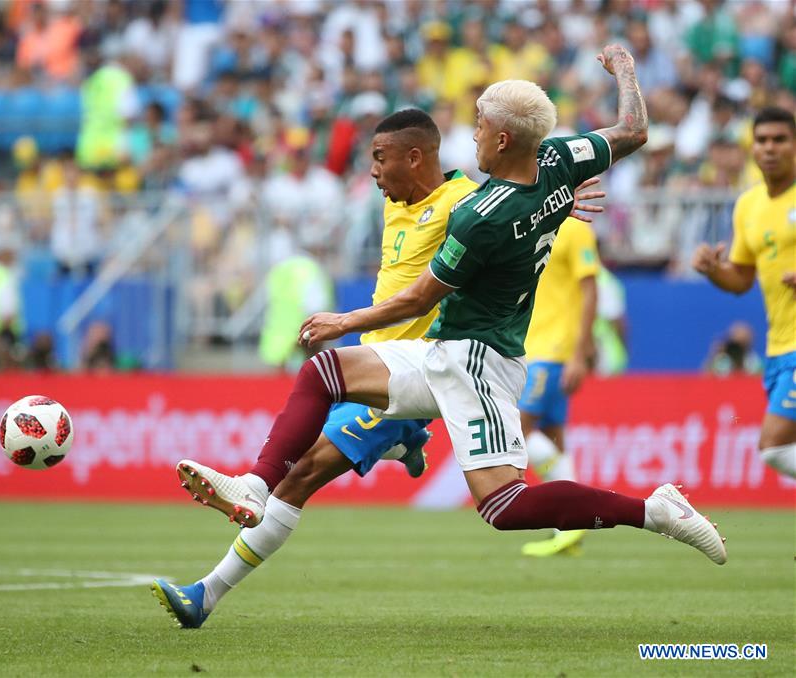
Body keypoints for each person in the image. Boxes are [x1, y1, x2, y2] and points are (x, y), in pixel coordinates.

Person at [153, 45, 727, 630]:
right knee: (322, 374)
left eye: (480, 124)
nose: (472, 134)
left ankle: (653, 510)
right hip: (441, 353)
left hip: (477, 361)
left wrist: (342, 322)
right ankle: (253, 486)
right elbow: (633, 129)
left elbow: (422, 298)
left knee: (503, 507)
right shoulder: (558, 160)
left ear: (502, 140)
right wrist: (626, 72)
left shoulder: (478, 215)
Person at [692, 106, 796, 478]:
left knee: (775, 446)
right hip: (779, 347)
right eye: (762, 140)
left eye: (780, 139)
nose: (770, 148)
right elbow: (740, 280)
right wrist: (713, 270)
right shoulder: (748, 205)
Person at [516, 215, 599, 557]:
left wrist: (579, 354)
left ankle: (573, 522)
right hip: (531, 347)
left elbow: (591, 291)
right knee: (553, 439)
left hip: (553, 352)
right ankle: (569, 529)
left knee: (517, 430)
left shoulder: (576, 230)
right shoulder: (534, 226)